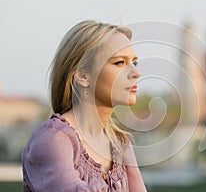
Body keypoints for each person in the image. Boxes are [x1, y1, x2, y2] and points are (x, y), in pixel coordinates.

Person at [22, 20, 147, 192]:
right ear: (82, 76)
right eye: (119, 62)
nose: (136, 72)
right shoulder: (53, 139)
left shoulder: (121, 144)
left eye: (135, 62)